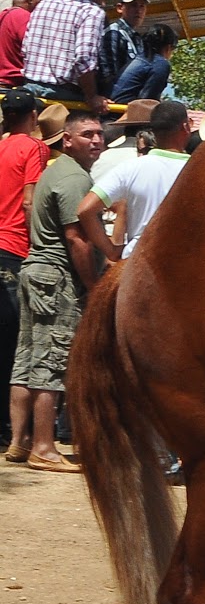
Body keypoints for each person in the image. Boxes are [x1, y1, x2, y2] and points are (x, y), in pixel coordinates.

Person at [7, 110, 105, 470]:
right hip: (55, 275)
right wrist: (93, 286)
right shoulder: (74, 178)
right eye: (87, 134)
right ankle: (44, 448)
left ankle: (20, 442)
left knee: (27, 359)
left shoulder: (55, 171)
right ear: (67, 139)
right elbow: (76, 239)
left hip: (34, 269)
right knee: (52, 362)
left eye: (99, 133)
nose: (96, 140)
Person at [77, 100, 192, 262]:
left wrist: (110, 251)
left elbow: (85, 209)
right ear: (186, 127)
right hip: (183, 262)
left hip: (137, 260)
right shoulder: (200, 169)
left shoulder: (130, 168)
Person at [0, 89, 49, 452]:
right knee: (17, 341)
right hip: (15, 247)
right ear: (33, 115)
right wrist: (40, 245)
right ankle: (13, 429)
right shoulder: (33, 149)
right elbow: (31, 197)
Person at [21, 0, 122, 118]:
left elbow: (25, 47)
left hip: (31, 90)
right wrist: (92, 97)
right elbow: (84, 59)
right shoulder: (92, 12)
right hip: (64, 96)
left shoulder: (46, 2)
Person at [96, 0, 149, 95]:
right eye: (133, 5)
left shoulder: (138, 39)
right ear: (120, 8)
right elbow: (108, 74)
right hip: (116, 98)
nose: (138, 10)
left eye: (142, 6)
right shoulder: (114, 32)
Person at [110, 23, 179, 101]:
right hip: (124, 111)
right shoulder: (160, 64)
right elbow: (147, 101)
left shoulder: (138, 60)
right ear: (168, 47)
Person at [0, 0, 49, 87]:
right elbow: (36, 50)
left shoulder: (4, 15)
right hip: (14, 83)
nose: (43, 2)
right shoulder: (23, 16)